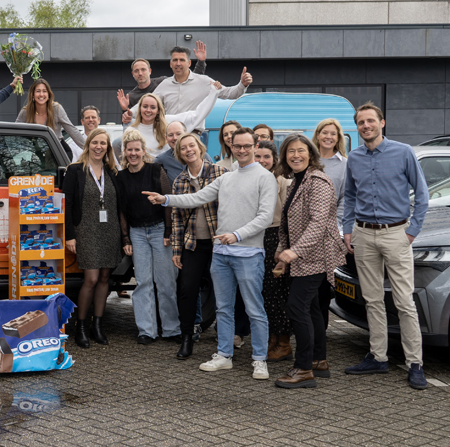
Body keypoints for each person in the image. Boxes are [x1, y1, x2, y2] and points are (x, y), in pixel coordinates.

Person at [144, 127, 277, 380]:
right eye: (237, 146)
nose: (242, 150)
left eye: (247, 146)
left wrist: (236, 235)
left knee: (254, 309)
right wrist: (165, 200)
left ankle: (259, 359)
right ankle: (224, 355)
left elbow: (265, 217)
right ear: (231, 148)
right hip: (222, 253)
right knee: (223, 308)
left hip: (248, 253)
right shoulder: (227, 177)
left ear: (255, 145)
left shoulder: (264, 177)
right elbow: (196, 198)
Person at [343, 103, 430, 389]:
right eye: (361, 122)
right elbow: (351, 197)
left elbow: (423, 194)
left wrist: (411, 232)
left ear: (382, 123)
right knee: (372, 299)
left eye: (370, 121)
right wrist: (348, 230)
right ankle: (378, 356)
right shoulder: (354, 158)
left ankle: (415, 362)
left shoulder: (403, 152)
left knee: (404, 301)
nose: (365, 126)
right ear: (357, 127)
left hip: (396, 234)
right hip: (364, 235)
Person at [274, 134, 346, 389]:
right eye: (290, 151)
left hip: (316, 257)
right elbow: (289, 224)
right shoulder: (296, 181)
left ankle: (303, 369)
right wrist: (283, 253)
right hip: (303, 257)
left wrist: (295, 252)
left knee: (297, 307)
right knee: (313, 308)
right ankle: (318, 360)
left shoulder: (318, 181)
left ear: (311, 154)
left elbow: (318, 223)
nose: (295, 155)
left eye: (300, 150)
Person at [117, 129, 178, 344]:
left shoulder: (156, 170)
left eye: (137, 149)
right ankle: (146, 330)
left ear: (143, 151)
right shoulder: (121, 177)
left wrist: (169, 232)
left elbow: (168, 201)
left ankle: (171, 329)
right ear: (124, 152)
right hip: (137, 233)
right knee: (143, 282)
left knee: (166, 282)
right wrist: (126, 239)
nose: (133, 153)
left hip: (160, 229)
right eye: (129, 150)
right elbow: (121, 210)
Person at [62, 128, 121, 348]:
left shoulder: (113, 171)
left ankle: (98, 325)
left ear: (108, 148)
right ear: (88, 145)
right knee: (92, 279)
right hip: (85, 231)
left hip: (110, 231)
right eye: (95, 142)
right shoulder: (75, 170)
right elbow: (66, 205)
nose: (99, 147)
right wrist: (70, 236)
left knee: (105, 279)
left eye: (103, 143)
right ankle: (81, 326)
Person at [170, 133, 224, 359]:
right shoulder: (179, 181)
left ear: (200, 147)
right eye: (183, 148)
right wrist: (176, 250)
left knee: (223, 292)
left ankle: (226, 339)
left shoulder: (219, 173)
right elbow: (176, 218)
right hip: (192, 245)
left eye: (191, 145)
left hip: (219, 243)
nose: (188, 150)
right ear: (179, 154)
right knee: (186, 291)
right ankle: (186, 338)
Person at [253, 140, 294, 363]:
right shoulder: (252, 178)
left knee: (277, 292)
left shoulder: (283, 182)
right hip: (256, 237)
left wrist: (284, 246)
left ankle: (284, 342)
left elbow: (288, 218)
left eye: (266, 157)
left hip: (275, 236)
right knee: (264, 293)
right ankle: (271, 338)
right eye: (257, 156)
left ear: (274, 159)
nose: (261, 161)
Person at [312, 117, 347, 333]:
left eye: (333, 134)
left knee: (323, 288)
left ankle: (320, 335)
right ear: (317, 135)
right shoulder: (308, 160)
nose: (328, 137)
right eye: (325, 132)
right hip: (305, 233)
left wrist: (336, 226)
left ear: (338, 138)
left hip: (329, 235)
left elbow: (346, 198)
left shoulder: (344, 164)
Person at [153, 47, 253, 118]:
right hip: (170, 137)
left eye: (182, 60)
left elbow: (230, 93)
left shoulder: (204, 82)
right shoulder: (164, 85)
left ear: (189, 63)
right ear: (170, 64)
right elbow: (146, 104)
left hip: (193, 137)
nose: (178, 63)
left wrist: (242, 84)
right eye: (175, 60)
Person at [122, 85, 219, 157]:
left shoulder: (169, 123)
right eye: (145, 106)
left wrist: (213, 93)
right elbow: (125, 158)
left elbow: (197, 115)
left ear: (158, 110)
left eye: (152, 107)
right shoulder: (131, 130)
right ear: (139, 109)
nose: (148, 110)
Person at [122, 43, 208, 114]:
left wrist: (201, 63)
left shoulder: (163, 82)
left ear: (150, 71)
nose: (140, 73)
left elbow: (189, 81)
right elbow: (128, 120)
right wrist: (125, 110)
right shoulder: (131, 96)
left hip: (164, 127)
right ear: (133, 74)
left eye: (143, 70)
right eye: (136, 71)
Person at [14, 78, 85, 149]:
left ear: (48, 94)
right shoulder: (26, 111)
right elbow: (14, 132)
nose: (41, 94)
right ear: (33, 94)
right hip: (37, 152)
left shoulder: (57, 109)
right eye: (38, 91)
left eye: (44, 91)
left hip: (58, 151)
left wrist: (88, 150)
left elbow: (72, 130)